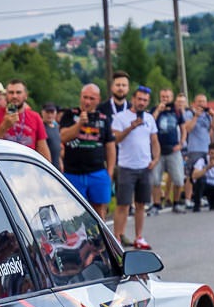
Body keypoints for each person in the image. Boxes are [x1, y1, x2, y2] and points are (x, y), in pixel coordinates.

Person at [112, 85, 159, 249]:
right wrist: (131, 127)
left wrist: (156, 158)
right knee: (123, 204)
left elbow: (154, 141)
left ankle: (139, 236)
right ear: (133, 99)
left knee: (141, 204)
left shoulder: (150, 118)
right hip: (126, 167)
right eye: (139, 99)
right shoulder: (120, 117)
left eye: (145, 100)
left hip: (145, 166)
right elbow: (115, 139)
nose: (141, 102)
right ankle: (117, 237)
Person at [58, 82, 114, 216]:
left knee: (99, 210)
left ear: (98, 100)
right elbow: (63, 137)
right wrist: (79, 124)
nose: (87, 102)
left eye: (91, 98)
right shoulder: (70, 115)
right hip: (73, 172)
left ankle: (100, 230)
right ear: (80, 97)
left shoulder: (104, 119)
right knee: (74, 212)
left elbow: (110, 147)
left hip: (97, 172)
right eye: (85, 97)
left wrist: (110, 173)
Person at [0, 79, 48, 161]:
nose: (14, 96)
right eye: (11, 92)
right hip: (2, 165)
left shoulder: (35, 117)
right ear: (6, 95)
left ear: (25, 95)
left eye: (18, 92)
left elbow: (43, 151)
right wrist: (4, 126)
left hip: (27, 165)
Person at [153, 90, 185, 212]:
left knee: (178, 179)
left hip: (173, 149)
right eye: (163, 96)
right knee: (155, 180)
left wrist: (181, 143)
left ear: (171, 98)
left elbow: (183, 129)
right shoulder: (155, 109)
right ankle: (156, 204)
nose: (165, 99)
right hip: (158, 150)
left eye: (167, 97)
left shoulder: (176, 111)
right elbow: (150, 122)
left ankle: (176, 203)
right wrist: (158, 110)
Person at [188, 143, 214, 211]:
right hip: (203, 186)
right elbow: (194, 176)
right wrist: (207, 167)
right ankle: (197, 204)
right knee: (201, 180)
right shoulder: (202, 161)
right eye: (212, 153)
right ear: (208, 153)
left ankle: (212, 201)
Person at [40, 102, 62, 166]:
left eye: (52, 112)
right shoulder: (40, 127)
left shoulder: (56, 127)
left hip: (56, 165)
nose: (49, 115)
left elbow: (57, 147)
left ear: (55, 113)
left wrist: (60, 161)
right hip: (46, 165)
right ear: (42, 112)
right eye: (47, 112)